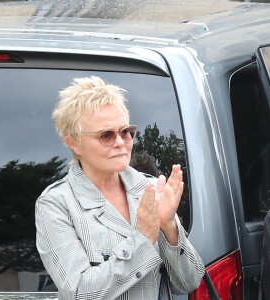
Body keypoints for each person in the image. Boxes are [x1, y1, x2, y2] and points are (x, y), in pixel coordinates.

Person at [35, 76, 205, 300]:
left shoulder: (150, 188)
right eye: (106, 135)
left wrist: (168, 226)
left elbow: (189, 281)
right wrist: (143, 238)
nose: (120, 142)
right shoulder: (57, 203)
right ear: (74, 143)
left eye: (125, 131)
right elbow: (79, 293)